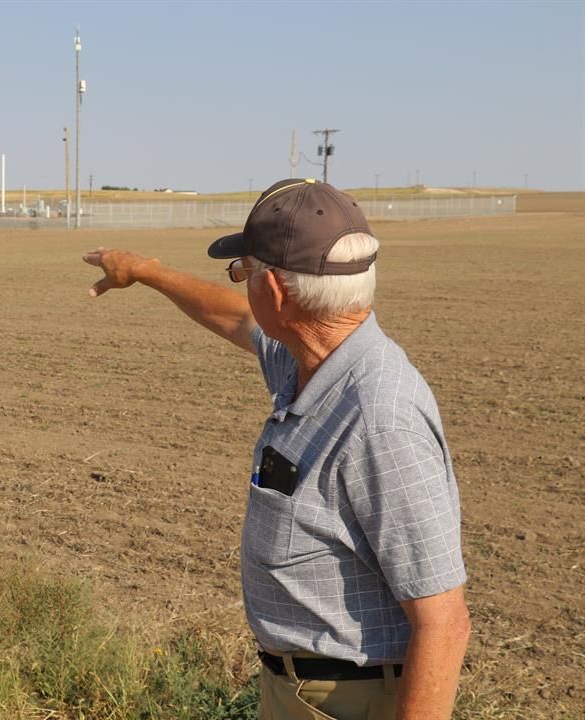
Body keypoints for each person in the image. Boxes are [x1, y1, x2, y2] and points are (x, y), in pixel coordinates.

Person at [82, 178, 470, 720]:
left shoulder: (380, 417)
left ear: (280, 293)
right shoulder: (311, 356)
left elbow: (444, 623)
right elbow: (238, 318)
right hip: (298, 691)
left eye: (244, 273)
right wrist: (144, 271)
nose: (241, 288)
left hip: (350, 702)